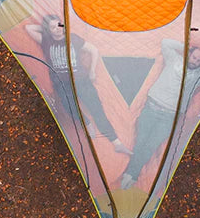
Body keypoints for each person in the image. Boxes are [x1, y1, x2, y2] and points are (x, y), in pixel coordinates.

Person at [120, 39, 200, 189]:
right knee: (140, 141)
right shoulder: (174, 58)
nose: (195, 61)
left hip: (169, 116)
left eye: (198, 60)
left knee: (151, 145)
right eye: (194, 57)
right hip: (151, 107)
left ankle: (130, 174)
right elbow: (165, 43)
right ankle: (131, 174)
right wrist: (186, 49)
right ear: (189, 55)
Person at [25, 15, 131, 155]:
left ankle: (116, 143)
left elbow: (94, 50)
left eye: (59, 25)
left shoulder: (73, 38)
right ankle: (86, 123)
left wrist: (92, 71)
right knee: (69, 107)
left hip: (81, 80)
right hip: (62, 83)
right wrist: (46, 29)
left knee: (97, 110)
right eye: (53, 27)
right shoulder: (46, 41)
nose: (58, 29)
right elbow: (29, 28)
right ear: (48, 30)